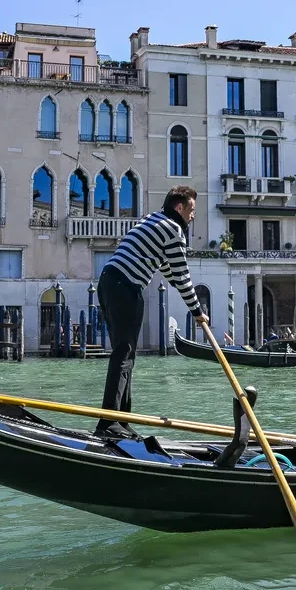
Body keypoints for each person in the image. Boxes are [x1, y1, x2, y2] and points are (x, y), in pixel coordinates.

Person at [97, 185, 208, 436]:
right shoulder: (174, 230)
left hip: (108, 281)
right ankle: (109, 422)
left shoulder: (152, 219)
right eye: (191, 210)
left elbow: (167, 269)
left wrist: (193, 307)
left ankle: (121, 421)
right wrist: (197, 311)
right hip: (126, 287)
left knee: (124, 355)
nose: (193, 216)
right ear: (179, 207)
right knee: (124, 355)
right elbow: (181, 276)